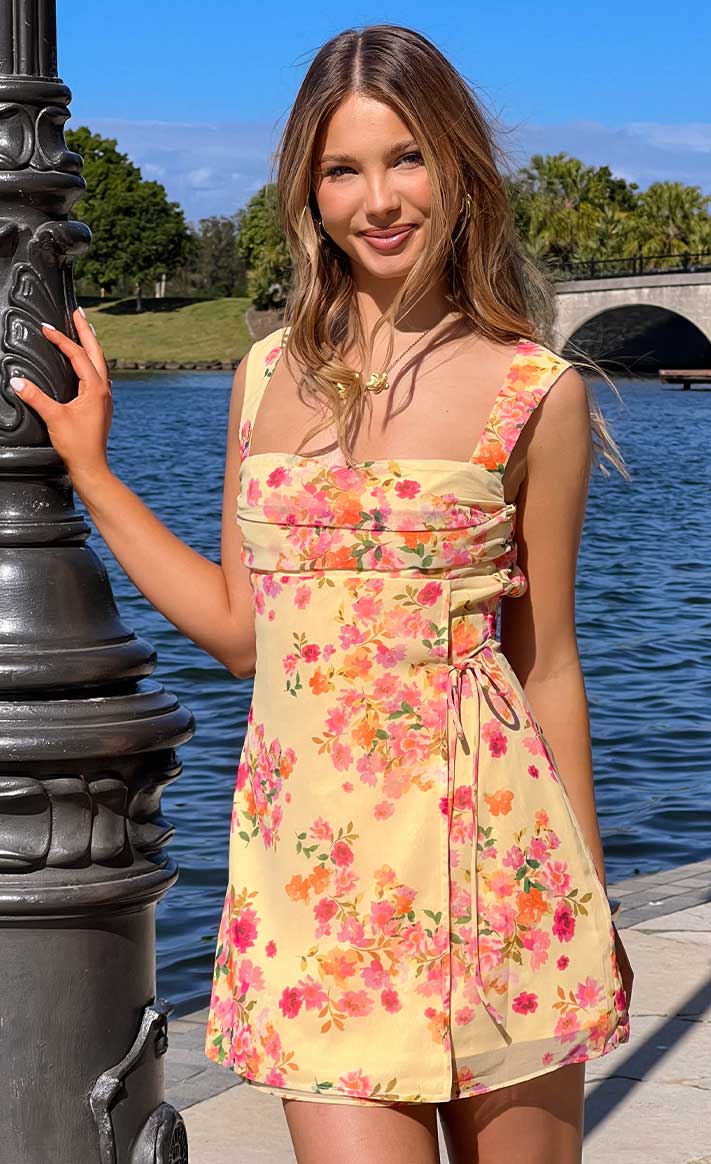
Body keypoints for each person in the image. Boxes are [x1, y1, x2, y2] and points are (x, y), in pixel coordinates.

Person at [13, 22, 635, 1164]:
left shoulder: (533, 394)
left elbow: (548, 666)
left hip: (501, 868)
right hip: (322, 882)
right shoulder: (264, 375)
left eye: (406, 159)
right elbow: (242, 637)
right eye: (343, 169)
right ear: (308, 190)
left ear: (458, 167)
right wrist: (93, 473)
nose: (379, 198)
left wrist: (588, 897)